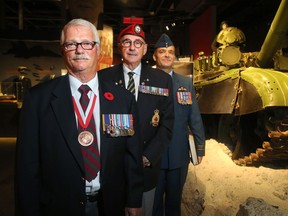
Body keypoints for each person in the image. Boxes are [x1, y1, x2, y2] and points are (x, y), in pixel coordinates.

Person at [15, 18, 143, 216]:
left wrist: (134, 199)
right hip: (59, 206)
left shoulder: (122, 99)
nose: (79, 50)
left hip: (110, 204)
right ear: (62, 50)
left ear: (98, 50)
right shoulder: (38, 99)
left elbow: (131, 155)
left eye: (86, 43)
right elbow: (27, 166)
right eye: (71, 44)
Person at [98, 24, 174, 216]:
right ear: (119, 47)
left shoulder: (162, 80)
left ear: (145, 49)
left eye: (138, 43)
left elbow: (167, 124)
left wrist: (148, 157)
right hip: (111, 169)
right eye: (127, 42)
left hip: (145, 170)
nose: (133, 47)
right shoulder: (103, 79)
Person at [152, 33, 206, 216]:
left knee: (174, 203)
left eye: (170, 52)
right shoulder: (146, 81)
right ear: (155, 56)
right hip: (153, 155)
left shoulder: (185, 83)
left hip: (178, 152)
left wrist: (200, 148)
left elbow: (194, 116)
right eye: (162, 51)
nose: (167, 55)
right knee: (154, 203)